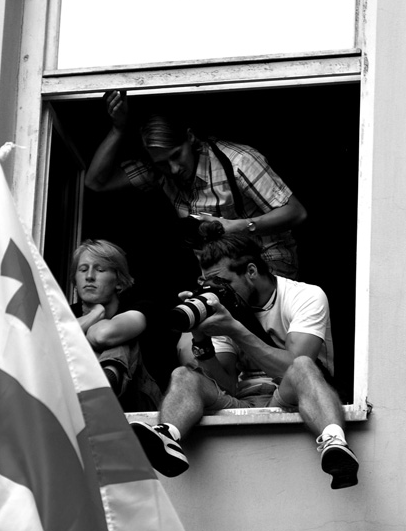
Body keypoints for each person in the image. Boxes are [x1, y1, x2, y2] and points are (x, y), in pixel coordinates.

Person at [131, 223, 359, 489]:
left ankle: (334, 442)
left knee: (303, 366)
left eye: (224, 283)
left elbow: (295, 367)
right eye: (210, 284)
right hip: (243, 399)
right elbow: (226, 384)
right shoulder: (221, 307)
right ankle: (168, 435)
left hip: (289, 395)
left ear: (251, 271)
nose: (218, 292)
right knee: (183, 375)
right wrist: (200, 337)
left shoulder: (304, 296)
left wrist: (235, 330)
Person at [85, 90, 307, 279]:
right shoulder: (160, 171)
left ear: (190, 138)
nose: (173, 168)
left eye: (176, 155)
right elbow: (95, 182)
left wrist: (238, 226)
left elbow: (296, 212)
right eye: (163, 163)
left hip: (267, 261)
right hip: (218, 271)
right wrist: (118, 129)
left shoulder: (238, 161)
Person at [70, 239, 161, 410]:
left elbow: (102, 335)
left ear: (119, 281)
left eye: (100, 270)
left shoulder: (139, 307)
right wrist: (95, 314)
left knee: (120, 340)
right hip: (76, 394)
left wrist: (93, 318)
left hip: (139, 402)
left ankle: (102, 387)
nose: (89, 276)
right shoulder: (65, 314)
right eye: (83, 270)